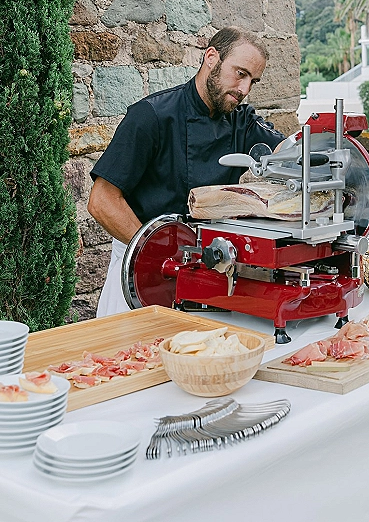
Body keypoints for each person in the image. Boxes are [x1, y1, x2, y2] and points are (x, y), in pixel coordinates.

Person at [88, 26, 286, 317]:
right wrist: (156, 254)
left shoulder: (241, 121)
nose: (244, 90)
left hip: (209, 273)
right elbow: (102, 201)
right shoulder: (151, 116)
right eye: (240, 74)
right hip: (143, 270)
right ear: (211, 57)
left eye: (252, 81)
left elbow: (286, 151)